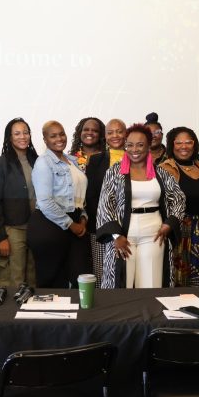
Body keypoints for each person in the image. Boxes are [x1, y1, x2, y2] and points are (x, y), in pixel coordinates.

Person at [96, 124, 185, 288]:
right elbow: (105, 204)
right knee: (123, 282)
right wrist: (116, 236)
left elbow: (178, 198)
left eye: (140, 144)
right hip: (123, 235)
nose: (134, 149)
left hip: (153, 233)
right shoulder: (114, 172)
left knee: (151, 284)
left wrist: (169, 223)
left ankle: (151, 313)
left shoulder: (161, 173)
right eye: (129, 145)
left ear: (149, 145)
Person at [27, 120, 91, 288]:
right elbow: (46, 202)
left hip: (76, 222)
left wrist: (83, 218)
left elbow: (79, 197)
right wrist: (71, 225)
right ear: (45, 139)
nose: (59, 138)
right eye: (53, 135)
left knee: (81, 277)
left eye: (61, 134)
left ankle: (80, 314)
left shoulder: (73, 161)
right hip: (50, 225)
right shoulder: (43, 163)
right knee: (54, 282)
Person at [0, 118, 39, 288]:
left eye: (25, 132)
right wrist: (1, 237)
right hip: (13, 229)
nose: (22, 136)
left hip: (36, 226)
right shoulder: (1, 164)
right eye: (17, 133)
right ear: (9, 138)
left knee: (33, 275)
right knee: (15, 277)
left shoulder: (36, 160)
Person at [160, 127, 199, 287]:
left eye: (188, 142)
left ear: (195, 144)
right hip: (177, 230)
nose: (184, 146)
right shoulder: (164, 169)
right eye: (179, 142)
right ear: (172, 145)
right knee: (177, 277)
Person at [84, 118, 127, 282]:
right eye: (110, 132)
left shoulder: (138, 159)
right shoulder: (95, 160)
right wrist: (105, 225)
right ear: (105, 136)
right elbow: (92, 195)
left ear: (126, 134)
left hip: (130, 227)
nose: (115, 135)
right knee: (102, 273)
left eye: (119, 131)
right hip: (102, 228)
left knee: (126, 273)